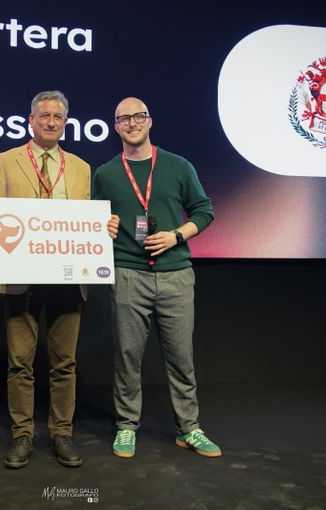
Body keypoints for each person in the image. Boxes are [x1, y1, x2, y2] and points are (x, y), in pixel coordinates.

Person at [92, 97, 221, 459]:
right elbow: (94, 220)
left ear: (150, 121)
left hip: (176, 273)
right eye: (124, 119)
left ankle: (189, 428)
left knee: (181, 356)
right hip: (127, 273)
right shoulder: (105, 173)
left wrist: (176, 235)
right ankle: (126, 426)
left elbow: (204, 211)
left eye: (138, 116)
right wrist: (104, 226)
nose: (132, 123)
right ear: (115, 127)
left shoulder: (178, 166)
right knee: (127, 355)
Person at [0, 91, 90, 468]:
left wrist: (102, 228)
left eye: (58, 117)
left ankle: (61, 433)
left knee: (65, 363)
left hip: (67, 278)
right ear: (31, 120)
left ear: (65, 123)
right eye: (44, 116)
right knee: (20, 362)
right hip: (20, 277)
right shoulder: (5, 160)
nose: (51, 122)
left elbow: (85, 221)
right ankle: (22, 434)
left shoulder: (81, 167)